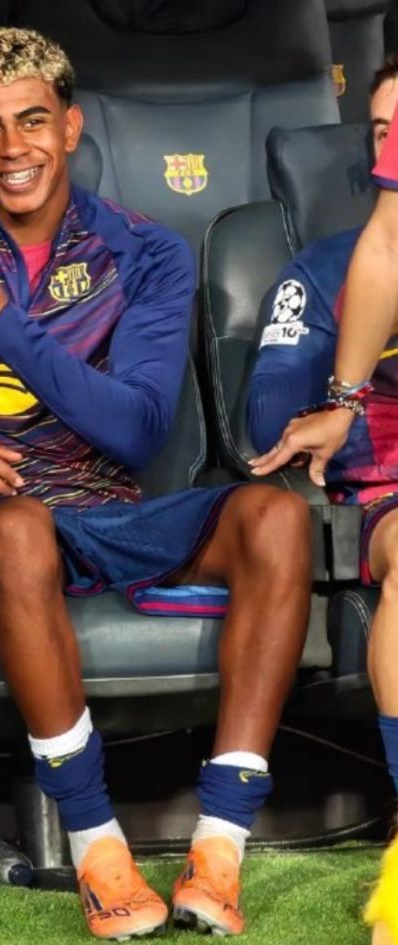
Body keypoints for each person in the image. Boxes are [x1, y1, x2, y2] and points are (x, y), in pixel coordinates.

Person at [0, 27, 312, 940]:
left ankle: (220, 845)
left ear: (70, 127)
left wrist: (0, 322)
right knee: (19, 527)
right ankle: (98, 846)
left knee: (275, 516)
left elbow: (140, 428)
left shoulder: (143, 251)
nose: (13, 147)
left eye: (33, 121)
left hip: (111, 507)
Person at [248, 57, 398, 807]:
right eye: (383, 131)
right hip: (386, 490)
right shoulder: (332, 266)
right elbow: (268, 418)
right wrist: (354, 369)